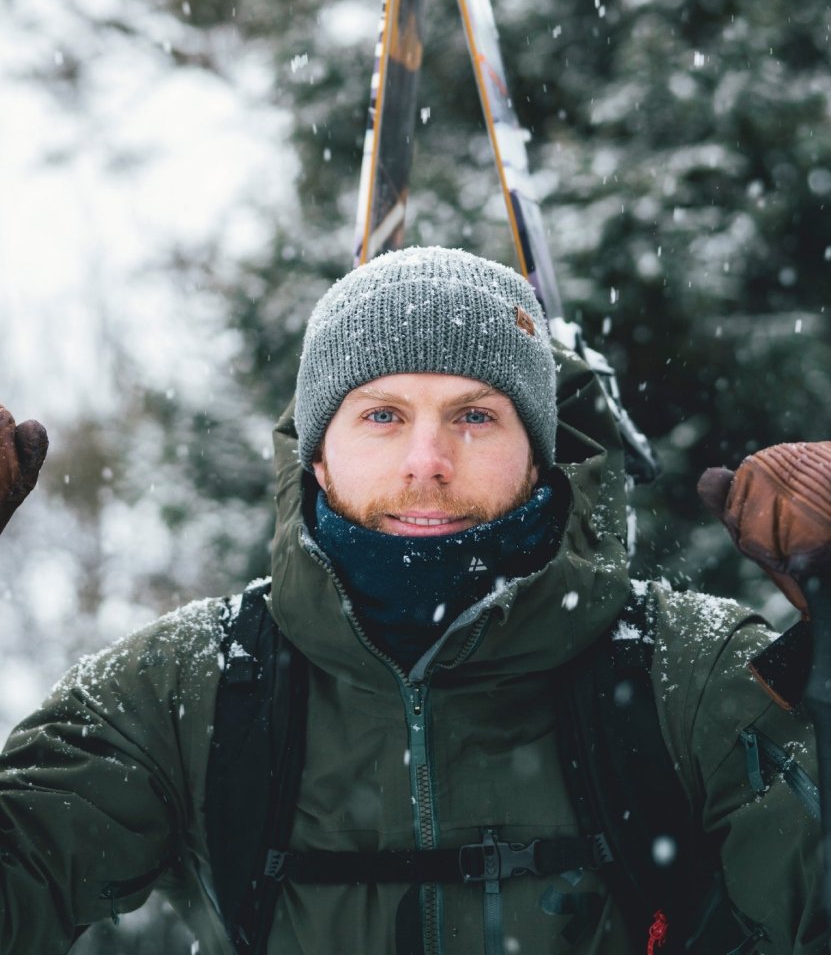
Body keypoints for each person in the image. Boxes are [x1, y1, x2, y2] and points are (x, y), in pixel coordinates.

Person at [0, 245, 827, 955]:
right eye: (383, 415)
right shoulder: (184, 687)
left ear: (539, 455)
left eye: (474, 416)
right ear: (316, 457)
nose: (426, 460)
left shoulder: (696, 672)